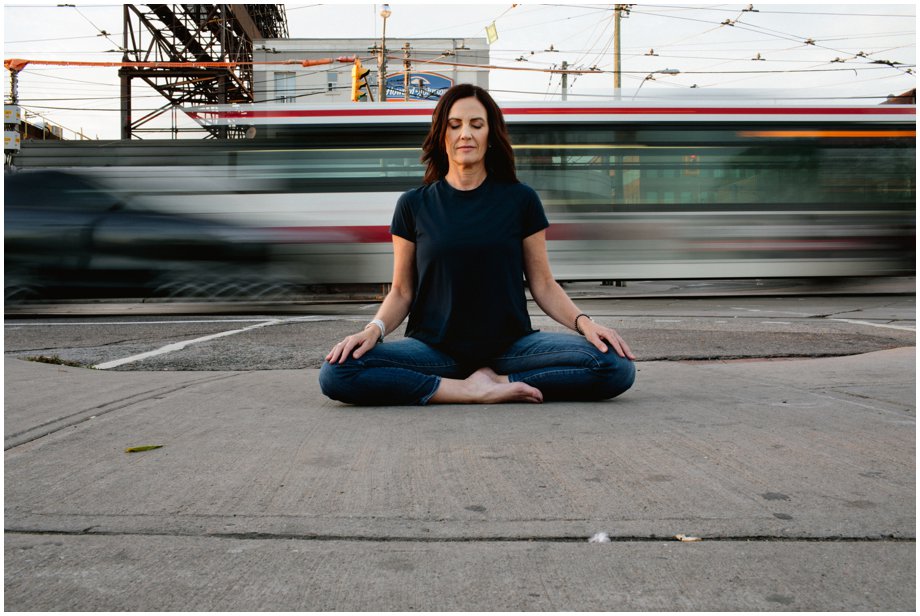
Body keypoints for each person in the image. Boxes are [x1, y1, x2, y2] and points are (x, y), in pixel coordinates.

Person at [319, 84, 635, 405]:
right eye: (455, 125)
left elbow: (543, 284)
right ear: (441, 134)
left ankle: (499, 382)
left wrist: (586, 324)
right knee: (338, 372)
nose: (465, 134)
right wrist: (373, 330)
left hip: (510, 349)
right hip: (434, 350)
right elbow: (401, 291)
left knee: (614, 365)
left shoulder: (520, 199)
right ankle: (464, 390)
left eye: (476, 125)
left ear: (490, 135)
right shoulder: (413, 205)